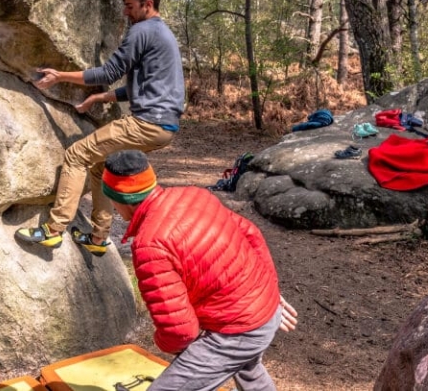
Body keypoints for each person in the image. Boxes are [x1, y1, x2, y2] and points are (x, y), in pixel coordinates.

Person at [15, 0, 185, 256]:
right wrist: (102, 96)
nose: (125, 12)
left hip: (146, 123)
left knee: (76, 155)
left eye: (130, 6)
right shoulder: (163, 34)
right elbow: (146, 88)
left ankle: (53, 231)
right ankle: (98, 237)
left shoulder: (141, 31)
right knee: (99, 167)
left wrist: (60, 77)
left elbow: (108, 72)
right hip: (164, 126)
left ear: (148, 4)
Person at [100, 149, 297, 391]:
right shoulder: (195, 194)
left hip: (238, 330)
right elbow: (252, 234)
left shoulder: (149, 244)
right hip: (262, 313)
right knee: (249, 370)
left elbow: (180, 332)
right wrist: (269, 292)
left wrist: (161, 341)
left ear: (120, 200)